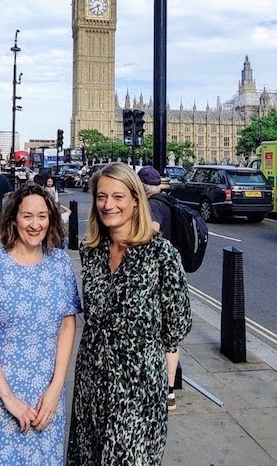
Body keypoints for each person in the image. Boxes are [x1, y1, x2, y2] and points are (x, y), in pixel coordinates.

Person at [67, 163, 191, 465]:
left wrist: (141, 350)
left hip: (138, 384)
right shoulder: (91, 251)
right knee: (90, 455)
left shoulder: (161, 254)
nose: (108, 205)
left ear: (136, 200)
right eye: (101, 197)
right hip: (91, 379)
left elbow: (178, 324)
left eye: (118, 197)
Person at [0, 184, 81, 465]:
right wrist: (9, 399)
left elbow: (67, 325)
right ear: (13, 219)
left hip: (44, 394)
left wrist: (55, 389)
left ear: (51, 219)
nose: (35, 225)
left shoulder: (60, 262)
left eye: (42, 216)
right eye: (27, 216)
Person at [137, 166, 180, 411]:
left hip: (159, 277)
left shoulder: (153, 206)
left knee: (161, 336)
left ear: (143, 187)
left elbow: (152, 229)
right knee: (171, 337)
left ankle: (164, 390)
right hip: (172, 273)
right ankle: (170, 392)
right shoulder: (168, 200)